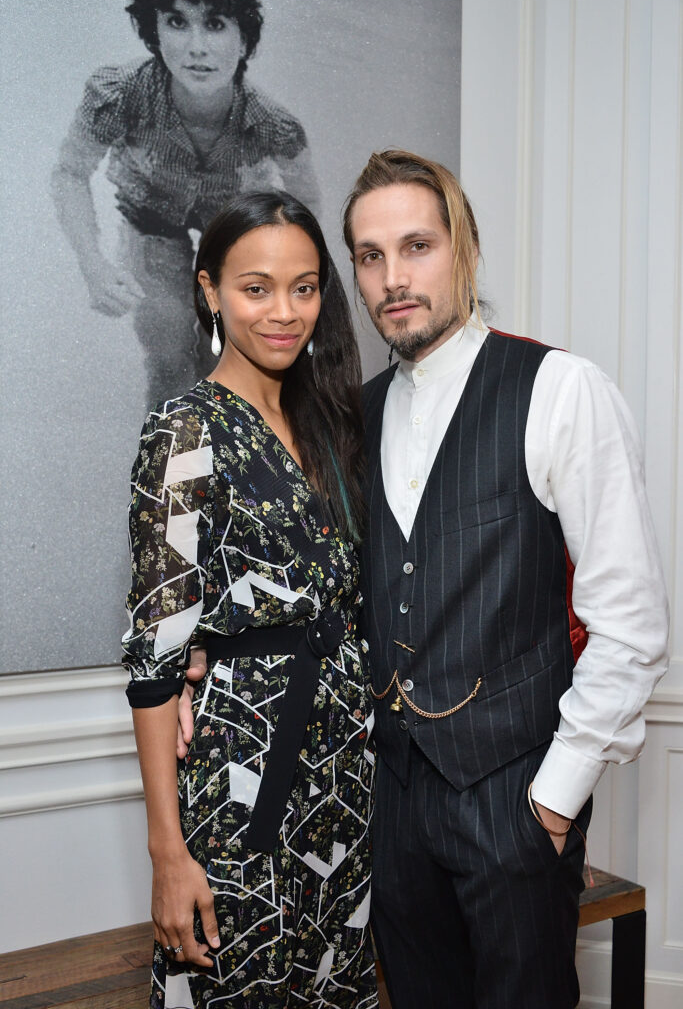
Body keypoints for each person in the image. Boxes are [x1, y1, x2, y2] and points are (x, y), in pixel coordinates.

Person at [178, 148, 669, 1009]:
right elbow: (312, 583)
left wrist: (548, 809)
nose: (392, 277)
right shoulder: (350, 417)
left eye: (416, 247)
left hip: (514, 798)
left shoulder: (558, 390)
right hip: (389, 804)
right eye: (369, 257)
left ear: (464, 249)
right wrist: (200, 655)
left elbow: (629, 624)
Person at [123, 191, 377, 1009]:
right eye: (255, 287)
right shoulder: (184, 428)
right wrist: (168, 852)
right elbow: (156, 655)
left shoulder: (332, 419)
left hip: (347, 773)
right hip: (244, 770)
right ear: (209, 290)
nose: (284, 312)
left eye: (304, 287)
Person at [52, 0, 320, 407]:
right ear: (153, 30)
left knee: (224, 355)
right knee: (168, 349)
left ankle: (221, 457)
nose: (197, 48)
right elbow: (70, 173)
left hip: (235, 232)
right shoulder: (118, 95)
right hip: (149, 218)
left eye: (215, 24)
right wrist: (93, 264)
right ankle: (174, 472)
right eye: (177, 22)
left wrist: (293, 284)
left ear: (245, 38)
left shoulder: (273, 124)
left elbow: (307, 205)